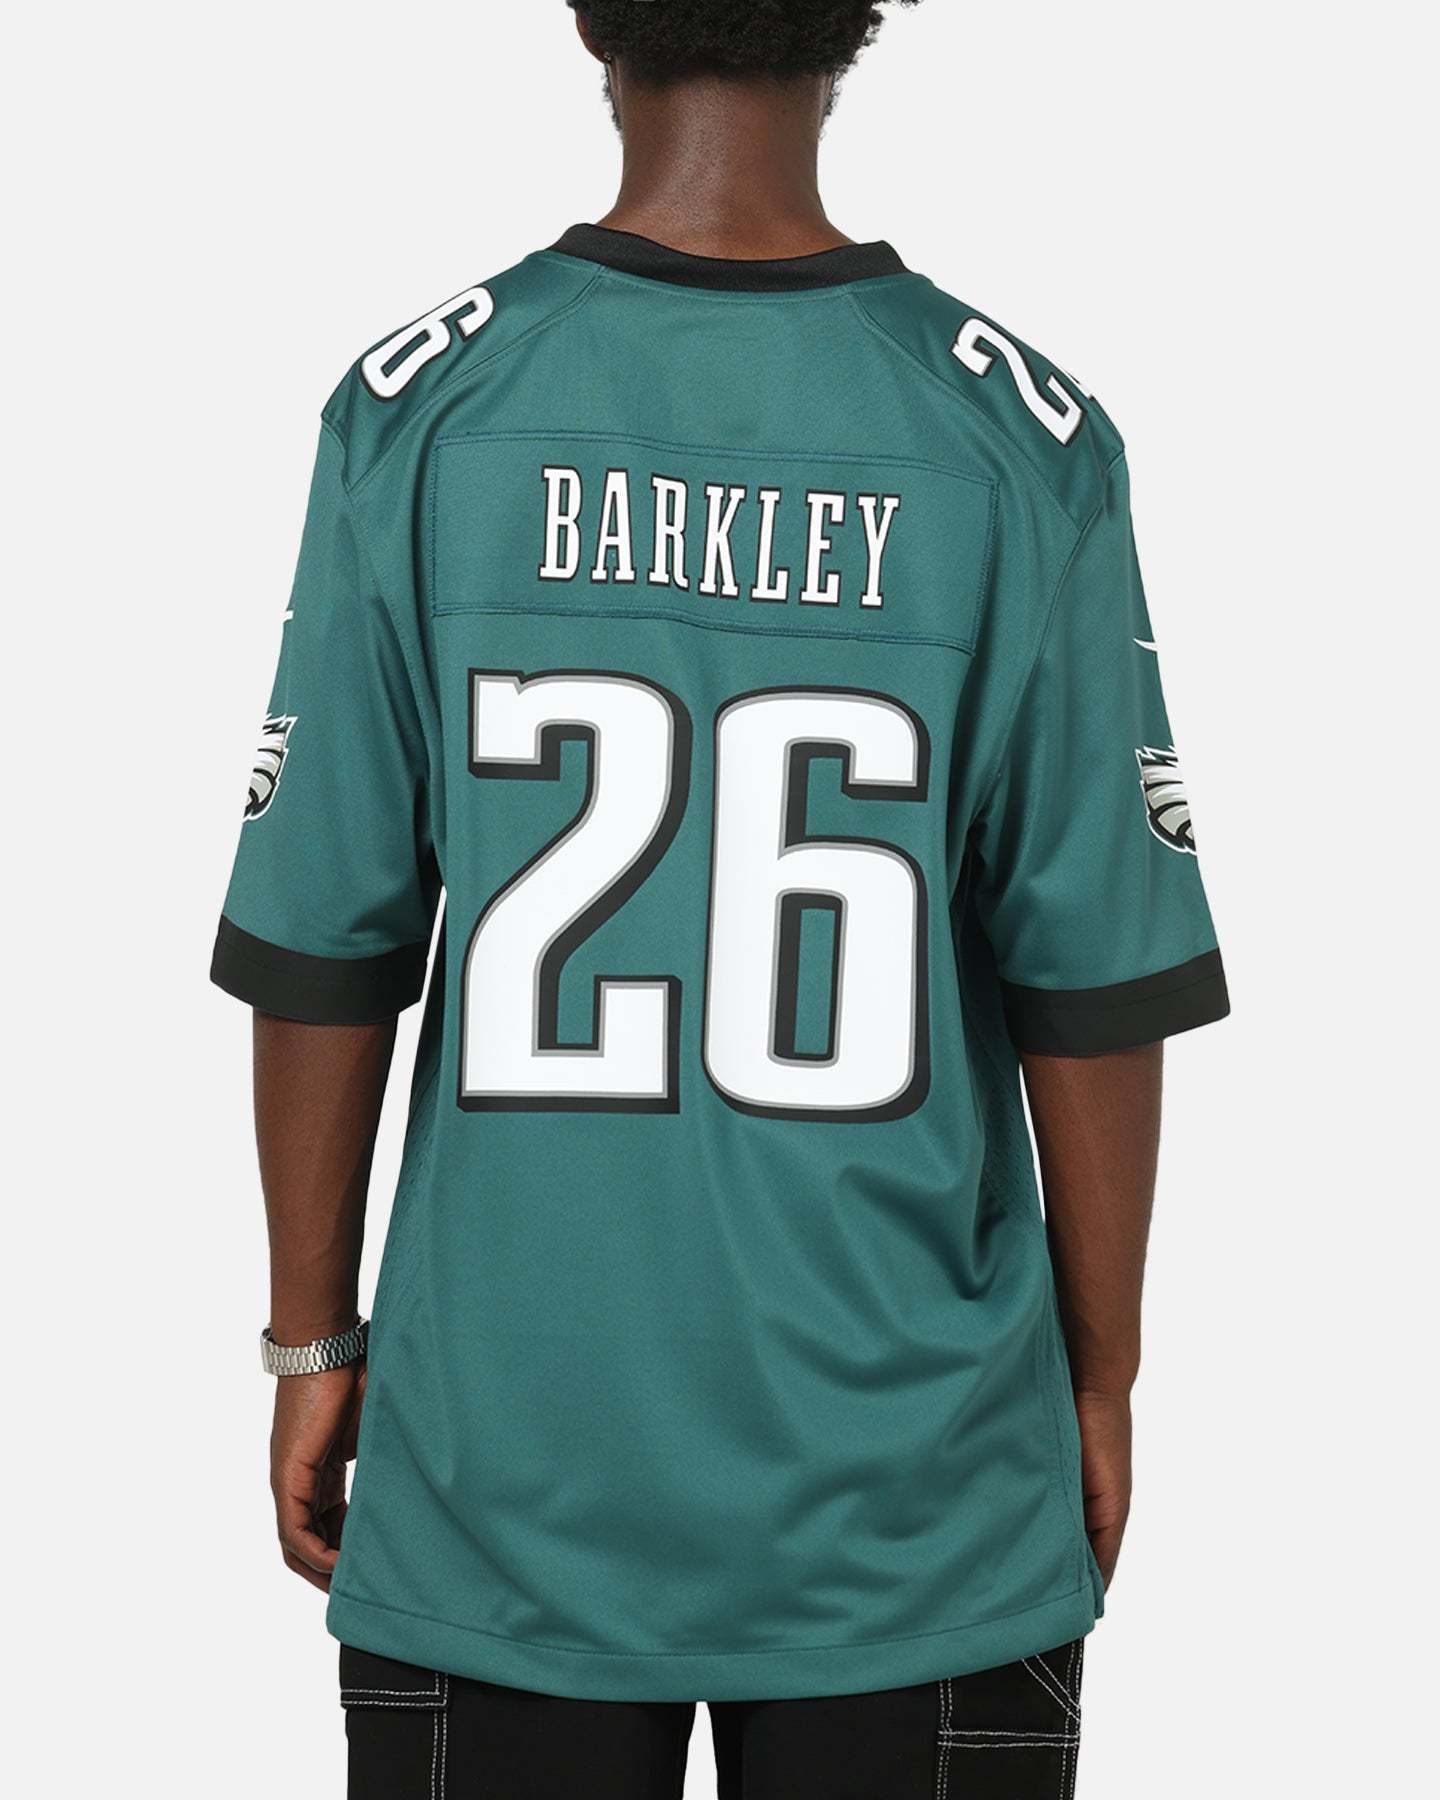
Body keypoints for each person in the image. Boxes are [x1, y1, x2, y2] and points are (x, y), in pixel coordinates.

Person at [210, 3, 1230, 1794]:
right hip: (921, 1491)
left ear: (589, 22)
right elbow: (1090, 976)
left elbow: (327, 940)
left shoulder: (419, 407)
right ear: (855, 27)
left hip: (498, 1465)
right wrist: (1101, 1374)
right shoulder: (1023, 433)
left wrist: (313, 1338)